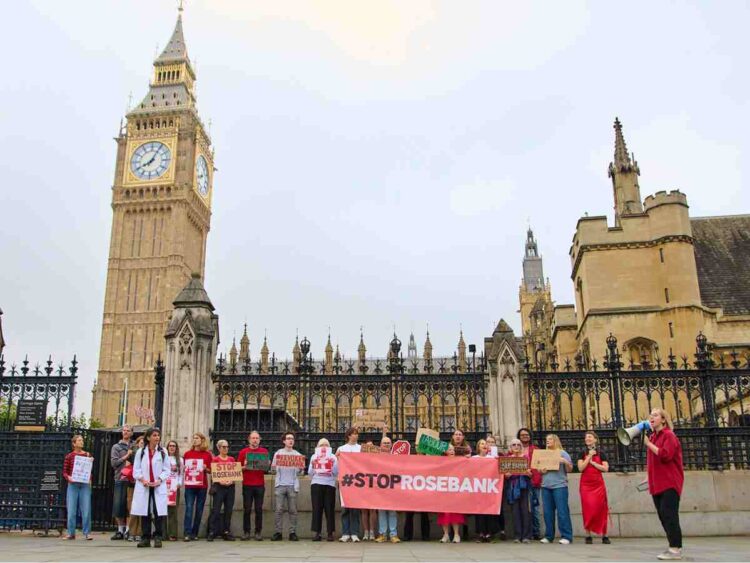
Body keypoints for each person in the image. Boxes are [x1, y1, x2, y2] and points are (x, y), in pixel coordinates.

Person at [644, 408, 684, 561]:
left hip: (670, 482)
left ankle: (675, 548)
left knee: (669, 515)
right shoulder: (653, 437)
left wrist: (648, 444)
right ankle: (672, 546)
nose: (651, 417)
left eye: (655, 415)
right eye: (651, 415)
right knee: (663, 516)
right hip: (657, 482)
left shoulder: (669, 435)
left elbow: (666, 455)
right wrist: (649, 477)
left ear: (663, 420)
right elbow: (653, 462)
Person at [131, 427, 170, 548]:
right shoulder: (141, 452)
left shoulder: (163, 452)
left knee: (159, 512)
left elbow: (167, 469)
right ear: (148, 438)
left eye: (158, 435)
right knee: (145, 511)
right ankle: (145, 538)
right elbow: (136, 470)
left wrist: (159, 480)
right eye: (154, 435)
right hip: (145, 485)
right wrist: (143, 479)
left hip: (158, 485)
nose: (157, 437)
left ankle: (158, 537)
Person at [539, 433, 573, 545]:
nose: (547, 441)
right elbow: (539, 469)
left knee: (562, 511)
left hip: (560, 486)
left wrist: (565, 462)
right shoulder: (544, 454)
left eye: (550, 439)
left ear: (555, 441)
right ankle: (549, 536)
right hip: (545, 486)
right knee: (548, 512)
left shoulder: (563, 453)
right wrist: (541, 470)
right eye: (546, 439)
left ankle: (566, 536)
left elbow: (569, 469)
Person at [577, 431, 610, 545]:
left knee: (601, 508)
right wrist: (589, 457)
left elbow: (605, 468)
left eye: (590, 437)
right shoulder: (582, 452)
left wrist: (594, 464)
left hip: (598, 484)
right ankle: (588, 535)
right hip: (586, 485)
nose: (588, 439)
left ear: (595, 439)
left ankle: (604, 535)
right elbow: (581, 468)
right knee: (587, 509)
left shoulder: (602, 452)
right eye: (586, 437)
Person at [271, 432, 303, 541]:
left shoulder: (297, 455)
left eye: (292, 439)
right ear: (284, 441)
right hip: (280, 485)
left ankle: (292, 532)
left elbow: (301, 472)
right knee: (279, 509)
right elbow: (273, 468)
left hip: (292, 485)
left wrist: (301, 467)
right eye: (288, 438)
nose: (291, 440)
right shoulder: (278, 453)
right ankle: (278, 532)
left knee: (293, 510)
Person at [237, 430, 269, 541]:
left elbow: (266, 469)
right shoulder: (243, 452)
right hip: (247, 484)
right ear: (249, 440)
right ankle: (246, 532)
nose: (255, 440)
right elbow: (237, 468)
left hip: (259, 484)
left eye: (257, 438)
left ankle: (258, 532)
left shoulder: (264, 452)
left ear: (259, 440)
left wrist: (266, 464)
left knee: (259, 509)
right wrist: (244, 466)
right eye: (253, 438)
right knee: (247, 509)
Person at [182, 432, 213, 541]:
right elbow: (184, 468)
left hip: (202, 485)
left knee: (199, 509)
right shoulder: (187, 454)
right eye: (194, 438)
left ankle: (195, 533)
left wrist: (206, 468)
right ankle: (187, 532)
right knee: (189, 508)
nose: (195, 440)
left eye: (197, 438)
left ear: (202, 440)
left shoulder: (207, 455)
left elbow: (212, 470)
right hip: (190, 485)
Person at [62, 434, 93, 540]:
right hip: (73, 484)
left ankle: (87, 532)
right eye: (79, 440)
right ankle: (71, 532)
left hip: (84, 484)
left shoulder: (88, 455)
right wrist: (69, 478)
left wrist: (90, 466)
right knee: (71, 510)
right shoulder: (69, 456)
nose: (81, 442)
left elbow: (89, 470)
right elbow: (65, 472)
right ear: (74, 443)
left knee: (86, 509)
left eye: (82, 440)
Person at [308, 438, 338, 542]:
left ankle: (330, 533)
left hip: (329, 484)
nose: (324, 446)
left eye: (326, 444)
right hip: (316, 484)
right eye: (321, 445)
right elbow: (310, 473)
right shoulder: (314, 456)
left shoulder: (333, 457)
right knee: (317, 509)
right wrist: (313, 464)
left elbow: (336, 473)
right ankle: (317, 532)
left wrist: (333, 463)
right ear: (318, 447)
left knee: (329, 509)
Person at [207, 439, 236, 542]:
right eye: (224, 447)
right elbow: (214, 475)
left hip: (230, 487)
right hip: (219, 487)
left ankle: (226, 531)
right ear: (219, 448)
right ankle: (212, 531)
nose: (226, 449)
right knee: (216, 509)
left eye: (227, 447)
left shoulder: (232, 459)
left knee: (229, 510)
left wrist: (231, 481)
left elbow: (234, 472)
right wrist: (220, 481)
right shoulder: (215, 460)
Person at [336, 427, 362, 542]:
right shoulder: (341, 449)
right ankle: (346, 533)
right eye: (353, 434)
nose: (356, 436)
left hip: (357, 481)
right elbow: (337, 465)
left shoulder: (361, 448)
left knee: (355, 509)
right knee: (345, 508)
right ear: (348, 436)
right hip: (345, 481)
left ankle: (355, 533)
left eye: (357, 434)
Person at [504, 438, 532, 543]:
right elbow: (505, 474)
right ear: (510, 447)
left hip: (523, 486)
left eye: (518, 445)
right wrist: (507, 475)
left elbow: (530, 473)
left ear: (521, 447)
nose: (516, 446)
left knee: (525, 511)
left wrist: (528, 473)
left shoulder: (525, 458)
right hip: (512, 486)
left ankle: (526, 536)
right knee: (515, 512)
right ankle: (517, 535)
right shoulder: (507, 459)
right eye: (514, 445)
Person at [374, 434, 400, 543]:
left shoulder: (396, 456)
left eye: (388, 443)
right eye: (384, 443)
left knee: (392, 511)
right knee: (381, 511)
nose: (386, 444)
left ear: (391, 445)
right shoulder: (375, 456)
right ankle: (383, 534)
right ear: (380, 445)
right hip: (380, 487)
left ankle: (393, 534)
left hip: (392, 487)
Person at [110, 425, 134, 540]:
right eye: (124, 430)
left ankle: (128, 529)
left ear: (132, 433)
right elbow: (114, 463)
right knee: (118, 505)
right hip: (120, 478)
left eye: (128, 430)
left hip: (132, 480)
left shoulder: (134, 446)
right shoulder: (116, 447)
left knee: (129, 506)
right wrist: (126, 456)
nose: (125, 432)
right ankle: (120, 529)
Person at [518, 428, 542, 540]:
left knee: (535, 508)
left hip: (533, 481)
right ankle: (526, 532)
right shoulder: (516, 449)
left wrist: (533, 474)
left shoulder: (536, 449)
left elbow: (539, 465)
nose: (524, 436)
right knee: (524, 509)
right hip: (520, 482)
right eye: (522, 435)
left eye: (527, 434)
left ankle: (536, 532)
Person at [438, 444, 464, 543]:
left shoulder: (459, 460)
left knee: (454, 512)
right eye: (449, 449)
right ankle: (445, 534)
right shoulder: (441, 462)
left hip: (455, 490)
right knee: (443, 513)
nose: (452, 451)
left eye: (453, 449)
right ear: (445, 451)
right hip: (443, 490)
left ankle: (456, 534)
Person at [472, 439, 493, 542]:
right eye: (481, 443)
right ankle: (480, 533)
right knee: (479, 512)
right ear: (478, 447)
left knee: (488, 512)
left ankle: (488, 533)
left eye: (485, 443)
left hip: (489, 488)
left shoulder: (492, 458)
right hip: (478, 488)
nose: (484, 445)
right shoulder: (473, 458)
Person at [127, 436, 144, 542]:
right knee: (133, 509)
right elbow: (127, 467)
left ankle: (139, 532)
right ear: (137, 443)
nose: (142, 444)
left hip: (144, 484)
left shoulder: (148, 454)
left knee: (142, 509)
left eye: (143, 443)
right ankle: (132, 532)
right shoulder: (133, 454)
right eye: (140, 442)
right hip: (133, 484)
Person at [165, 440, 183, 541]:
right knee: (162, 510)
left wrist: (179, 483)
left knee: (173, 511)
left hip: (174, 487)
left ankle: (172, 533)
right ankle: (163, 533)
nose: (172, 448)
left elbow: (181, 474)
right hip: (164, 487)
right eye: (170, 446)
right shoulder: (163, 458)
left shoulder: (179, 460)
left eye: (174, 446)